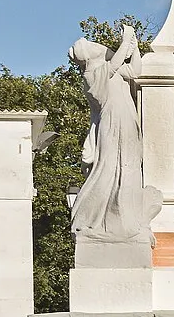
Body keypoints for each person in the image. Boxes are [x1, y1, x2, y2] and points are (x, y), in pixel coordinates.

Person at [67, 25, 164, 243]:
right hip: (112, 125)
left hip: (126, 121)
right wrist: (126, 40)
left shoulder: (107, 69)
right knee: (111, 169)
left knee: (127, 167)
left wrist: (135, 47)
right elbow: (114, 65)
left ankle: (126, 216)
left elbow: (134, 71)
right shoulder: (92, 74)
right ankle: (95, 215)